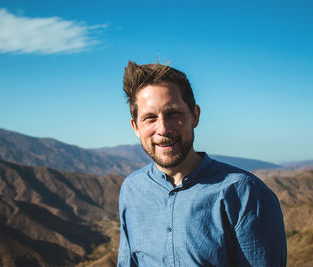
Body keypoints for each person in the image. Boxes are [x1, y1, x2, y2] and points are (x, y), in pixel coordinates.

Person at [117, 61, 287, 267]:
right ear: (135, 126)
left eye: (173, 114)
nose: (163, 128)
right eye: (150, 118)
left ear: (195, 116)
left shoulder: (245, 193)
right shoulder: (132, 190)